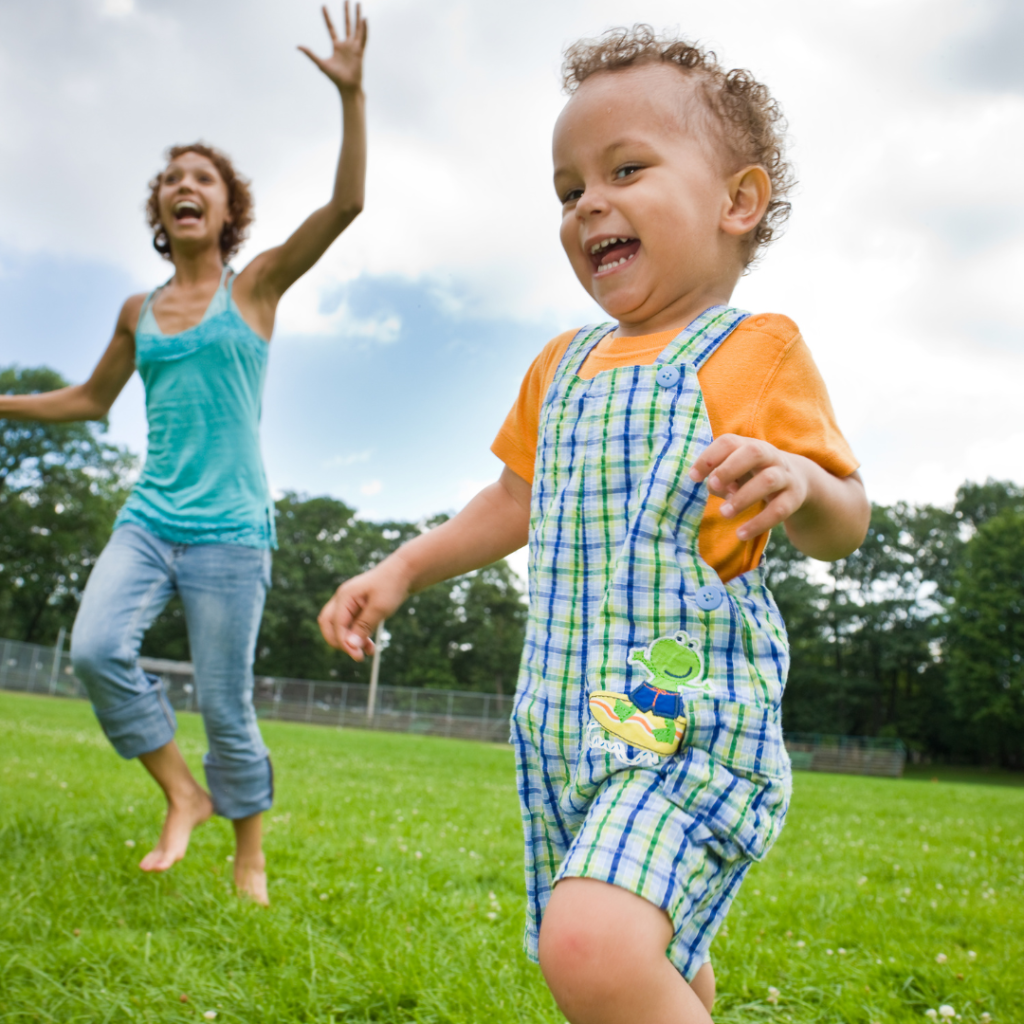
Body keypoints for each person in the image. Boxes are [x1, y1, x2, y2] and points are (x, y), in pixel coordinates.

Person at [318, 24, 869, 1024]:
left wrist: (798, 477)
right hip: (571, 726)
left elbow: (844, 522)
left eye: (626, 168)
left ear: (737, 202)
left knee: (587, 942)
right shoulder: (562, 365)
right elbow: (509, 502)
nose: (589, 204)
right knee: (651, 957)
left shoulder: (756, 352)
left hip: (690, 727)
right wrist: (400, 568)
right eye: (569, 189)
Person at [0, 3, 368, 905]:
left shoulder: (258, 286)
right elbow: (90, 401)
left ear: (226, 207)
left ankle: (250, 854)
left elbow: (348, 204)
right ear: (162, 212)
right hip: (151, 516)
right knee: (94, 650)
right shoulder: (138, 309)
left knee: (228, 704)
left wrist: (352, 98)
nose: (182, 184)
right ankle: (182, 794)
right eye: (170, 179)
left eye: (200, 176)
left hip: (233, 531)